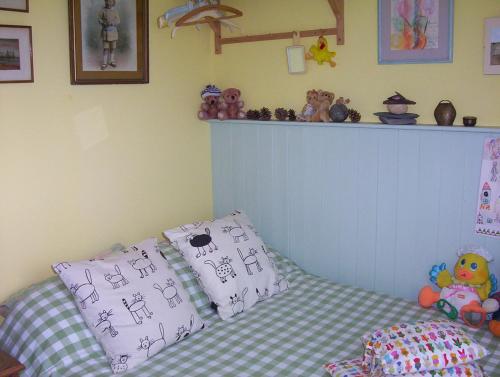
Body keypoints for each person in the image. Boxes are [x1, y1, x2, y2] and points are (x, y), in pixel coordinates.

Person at [98, 0, 120, 70]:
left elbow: (118, 20)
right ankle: (104, 63)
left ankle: (112, 61)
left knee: (113, 48)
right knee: (106, 48)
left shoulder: (115, 11)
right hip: (106, 32)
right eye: (107, 1)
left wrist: (113, 23)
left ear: (113, 2)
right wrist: (103, 22)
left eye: (111, 1)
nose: (109, 3)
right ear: (105, 2)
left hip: (113, 32)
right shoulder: (103, 10)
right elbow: (99, 18)